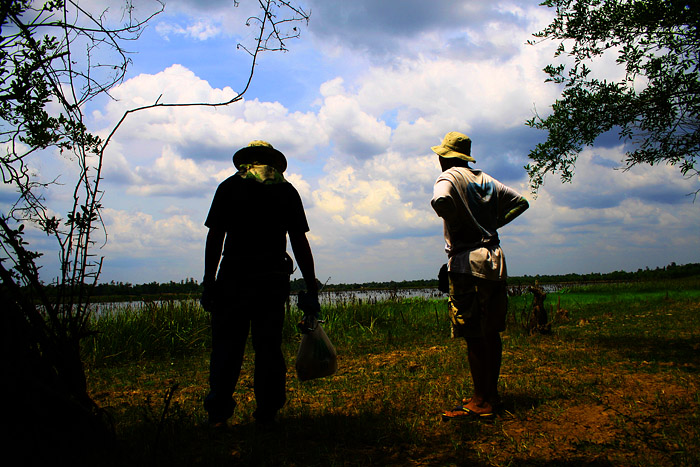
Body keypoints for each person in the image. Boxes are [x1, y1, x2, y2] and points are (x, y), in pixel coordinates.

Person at [200, 140, 319, 427]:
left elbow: (215, 237)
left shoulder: (229, 187)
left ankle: (218, 413)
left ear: (246, 161)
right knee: (268, 347)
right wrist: (311, 287)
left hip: (233, 278)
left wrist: (208, 281)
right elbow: (299, 242)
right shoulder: (286, 190)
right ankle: (267, 412)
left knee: (227, 347)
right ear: (274, 163)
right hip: (271, 280)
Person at [430, 131, 529, 420]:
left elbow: (440, 202)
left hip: (467, 263)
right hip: (494, 261)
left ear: (444, 157)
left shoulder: (448, 177)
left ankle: (480, 400)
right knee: (491, 332)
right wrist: (493, 222)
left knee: (473, 334)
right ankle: (491, 393)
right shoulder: (485, 180)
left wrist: (458, 219)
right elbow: (521, 202)